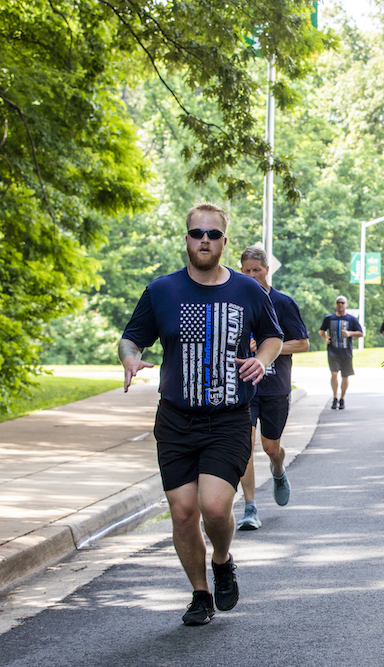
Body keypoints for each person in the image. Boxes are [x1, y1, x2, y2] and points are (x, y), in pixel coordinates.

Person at [119, 202, 283, 626]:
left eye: (213, 234)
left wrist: (262, 362)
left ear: (225, 242)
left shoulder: (248, 291)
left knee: (213, 508)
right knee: (183, 512)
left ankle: (223, 559)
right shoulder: (161, 291)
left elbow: (272, 338)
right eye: (197, 233)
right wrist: (130, 359)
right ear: (187, 239)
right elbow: (132, 338)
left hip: (228, 417)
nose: (204, 240)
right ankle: (199, 594)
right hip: (175, 418)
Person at [234, 246, 310, 531]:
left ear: (267, 270)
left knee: (270, 447)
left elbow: (302, 344)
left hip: (276, 386)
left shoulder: (282, 303)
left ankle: (278, 469)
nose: (253, 276)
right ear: (241, 271)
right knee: (245, 447)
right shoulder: (237, 303)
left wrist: (268, 349)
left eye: (257, 270)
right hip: (245, 386)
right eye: (247, 271)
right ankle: (250, 507)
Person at [320, 296, 363, 409]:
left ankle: (342, 398)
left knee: (345, 376)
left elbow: (361, 333)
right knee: (334, 373)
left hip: (346, 352)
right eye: (338, 303)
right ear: (335, 304)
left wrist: (350, 334)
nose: (340, 305)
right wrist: (325, 337)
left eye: (342, 303)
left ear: (346, 304)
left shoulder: (351, 319)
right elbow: (321, 330)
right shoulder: (329, 318)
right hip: (333, 351)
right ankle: (335, 397)